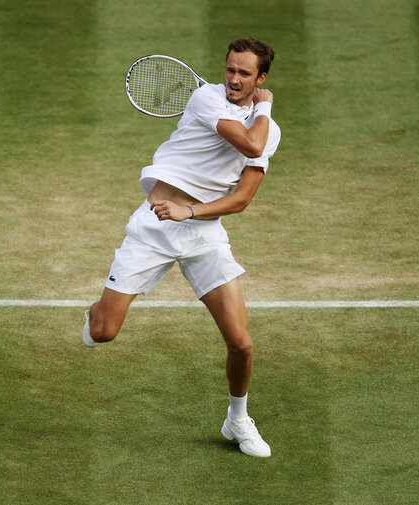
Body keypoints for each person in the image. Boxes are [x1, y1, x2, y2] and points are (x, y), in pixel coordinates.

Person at [83, 37, 280, 457]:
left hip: (203, 234)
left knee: (241, 342)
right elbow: (248, 144)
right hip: (154, 226)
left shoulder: (269, 130)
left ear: (260, 78)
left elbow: (242, 197)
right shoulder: (205, 97)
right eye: (230, 69)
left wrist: (189, 213)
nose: (233, 79)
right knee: (103, 333)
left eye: (245, 74)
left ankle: (238, 419)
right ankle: (94, 312)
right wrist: (263, 106)